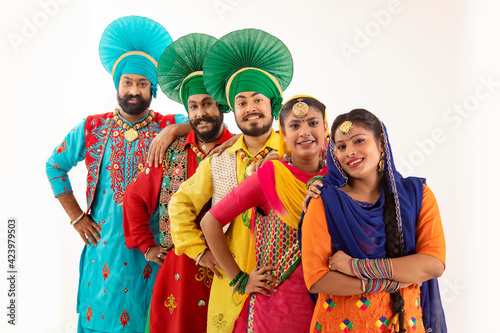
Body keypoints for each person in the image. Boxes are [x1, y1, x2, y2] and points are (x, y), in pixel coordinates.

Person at [45, 16, 191, 333]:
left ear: (152, 88)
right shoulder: (92, 127)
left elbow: (207, 125)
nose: (134, 90)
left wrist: (175, 130)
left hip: (153, 251)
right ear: (117, 85)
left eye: (142, 83)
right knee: (102, 321)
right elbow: (53, 166)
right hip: (105, 251)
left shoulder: (169, 122)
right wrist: (76, 217)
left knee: (152, 321)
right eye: (128, 82)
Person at [169, 28, 294, 332]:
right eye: (241, 102)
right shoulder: (220, 160)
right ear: (233, 111)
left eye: (257, 99)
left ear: (273, 105)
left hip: (287, 278)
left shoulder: (293, 152)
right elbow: (179, 205)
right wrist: (201, 253)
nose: (250, 107)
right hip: (234, 285)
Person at [122, 33, 233, 333]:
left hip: (230, 268)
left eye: (208, 104)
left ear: (222, 106)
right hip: (179, 274)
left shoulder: (239, 150)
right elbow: (134, 197)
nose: (201, 113)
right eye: (193, 106)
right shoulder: (171, 151)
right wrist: (146, 246)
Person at [300, 109, 447, 332]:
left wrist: (354, 266)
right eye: (341, 146)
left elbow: (433, 264)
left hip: (404, 323)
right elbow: (317, 279)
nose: (350, 151)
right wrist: (389, 282)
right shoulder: (324, 200)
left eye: (359, 141)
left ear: (380, 143)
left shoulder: (417, 195)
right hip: (340, 325)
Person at [200, 95, 329, 332]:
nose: (305, 132)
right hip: (277, 310)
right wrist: (240, 279)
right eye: (294, 126)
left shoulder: (339, 179)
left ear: (326, 128)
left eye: (313, 123)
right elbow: (211, 221)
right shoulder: (269, 176)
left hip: (331, 303)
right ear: (284, 134)